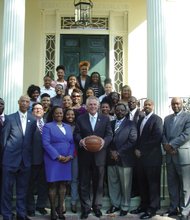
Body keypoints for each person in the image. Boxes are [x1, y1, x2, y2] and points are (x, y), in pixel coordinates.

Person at [74, 96, 113, 219]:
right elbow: (76, 133)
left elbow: (109, 134)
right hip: (84, 155)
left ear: (98, 106)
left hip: (99, 155)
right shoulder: (80, 119)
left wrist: (103, 142)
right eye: (90, 104)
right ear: (86, 106)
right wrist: (80, 141)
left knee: (99, 183)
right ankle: (85, 208)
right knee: (84, 182)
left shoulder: (105, 119)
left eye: (95, 105)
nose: (92, 107)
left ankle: (97, 207)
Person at [1, 95, 36, 220]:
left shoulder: (32, 120)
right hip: (10, 160)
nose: (25, 103)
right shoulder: (9, 118)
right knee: (7, 190)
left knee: (22, 190)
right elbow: (3, 140)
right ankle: (7, 215)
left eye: (27, 101)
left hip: (25, 161)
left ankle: (21, 214)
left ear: (29, 104)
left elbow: (31, 141)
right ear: (18, 102)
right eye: (22, 101)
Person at [130, 99, 163, 219]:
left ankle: (153, 208)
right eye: (145, 105)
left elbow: (157, 138)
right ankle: (143, 205)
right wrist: (136, 149)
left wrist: (141, 150)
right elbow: (138, 137)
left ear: (153, 106)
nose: (147, 106)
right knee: (142, 183)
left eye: (149, 105)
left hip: (152, 158)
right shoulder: (141, 119)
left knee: (152, 185)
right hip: (140, 159)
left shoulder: (157, 119)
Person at [42, 106, 74, 220]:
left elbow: (71, 143)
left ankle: (60, 210)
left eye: (61, 113)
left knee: (63, 184)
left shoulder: (68, 127)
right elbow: (45, 143)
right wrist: (58, 156)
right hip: (53, 160)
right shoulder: (48, 126)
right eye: (57, 113)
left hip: (67, 159)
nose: (59, 115)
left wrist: (70, 155)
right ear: (53, 114)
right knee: (53, 184)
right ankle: (52, 212)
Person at [106, 103, 137, 216]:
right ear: (114, 111)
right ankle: (115, 204)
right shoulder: (110, 123)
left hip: (125, 159)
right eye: (117, 110)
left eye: (122, 110)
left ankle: (125, 206)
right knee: (113, 183)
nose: (119, 112)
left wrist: (118, 152)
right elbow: (107, 138)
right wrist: (111, 151)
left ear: (125, 112)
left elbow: (132, 140)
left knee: (125, 185)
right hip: (110, 158)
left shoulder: (131, 124)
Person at [162, 97, 190, 220]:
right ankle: (173, 208)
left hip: (183, 156)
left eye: (177, 103)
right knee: (172, 185)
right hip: (170, 156)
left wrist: (172, 145)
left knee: (185, 187)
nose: (175, 105)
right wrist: (166, 146)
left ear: (182, 104)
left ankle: (185, 212)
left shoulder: (188, 117)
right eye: (173, 104)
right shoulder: (167, 119)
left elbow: (187, 134)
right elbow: (163, 134)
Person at [26, 103, 48, 217]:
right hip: (32, 159)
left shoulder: (47, 124)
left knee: (43, 184)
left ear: (44, 111)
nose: (38, 110)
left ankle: (41, 205)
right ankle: (30, 207)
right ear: (32, 111)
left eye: (40, 109)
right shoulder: (28, 124)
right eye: (36, 109)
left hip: (46, 160)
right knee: (31, 184)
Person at [127, 96, 145, 198]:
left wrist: (138, 147)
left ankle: (137, 191)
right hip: (128, 147)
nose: (130, 104)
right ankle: (132, 190)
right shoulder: (125, 114)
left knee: (138, 171)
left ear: (136, 103)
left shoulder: (141, 115)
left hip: (137, 147)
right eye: (129, 102)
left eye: (132, 102)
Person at [63, 108, 79, 213]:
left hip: (74, 155)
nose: (70, 116)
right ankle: (62, 203)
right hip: (63, 156)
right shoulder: (61, 126)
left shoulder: (78, 126)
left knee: (74, 179)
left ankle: (73, 202)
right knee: (63, 180)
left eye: (72, 114)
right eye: (68, 114)